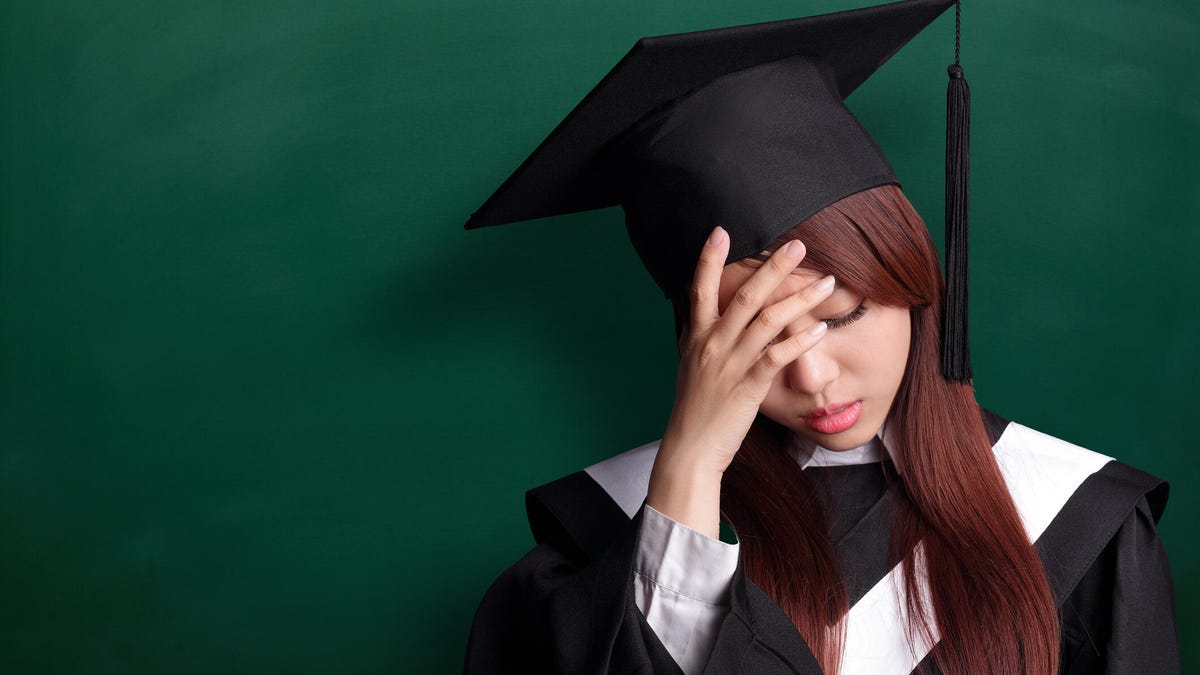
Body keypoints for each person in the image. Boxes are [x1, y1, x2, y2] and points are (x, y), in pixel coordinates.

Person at [461, 1, 1179, 673]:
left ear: (914, 283)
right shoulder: (588, 557)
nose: (811, 376)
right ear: (697, 343)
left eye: (842, 315)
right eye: (759, 339)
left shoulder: (1085, 525)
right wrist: (690, 468)